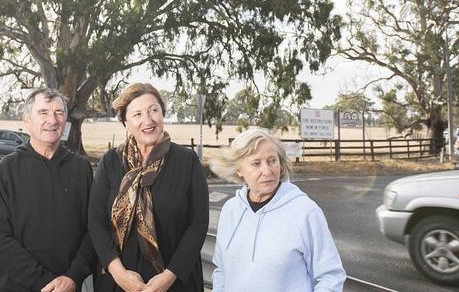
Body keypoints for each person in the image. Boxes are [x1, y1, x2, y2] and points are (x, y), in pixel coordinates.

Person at [88, 83, 209, 292]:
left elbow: (198, 224)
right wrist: (118, 273)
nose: (148, 120)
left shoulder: (187, 161)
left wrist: (168, 278)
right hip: (118, 283)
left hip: (175, 282)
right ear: (126, 122)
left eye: (154, 110)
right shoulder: (111, 162)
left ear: (162, 114)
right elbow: (96, 221)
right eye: (137, 114)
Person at [0, 87, 96, 292]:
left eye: (59, 113)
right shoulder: (7, 169)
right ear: (27, 121)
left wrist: (72, 277)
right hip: (18, 286)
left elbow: (94, 229)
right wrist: (45, 283)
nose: (52, 120)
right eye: (43, 112)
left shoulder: (81, 168)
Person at [210, 129, 346, 292]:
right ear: (239, 169)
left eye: (272, 160)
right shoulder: (230, 210)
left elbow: (331, 276)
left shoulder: (305, 211)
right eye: (256, 163)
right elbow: (221, 270)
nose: (267, 171)